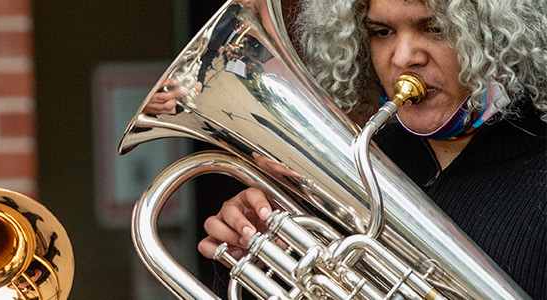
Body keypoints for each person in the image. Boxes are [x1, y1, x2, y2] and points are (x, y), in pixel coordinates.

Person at [199, 0, 547, 297]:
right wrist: (257, 259)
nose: (403, 58)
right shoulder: (360, 161)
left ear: (496, 37)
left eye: (436, 28)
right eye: (382, 32)